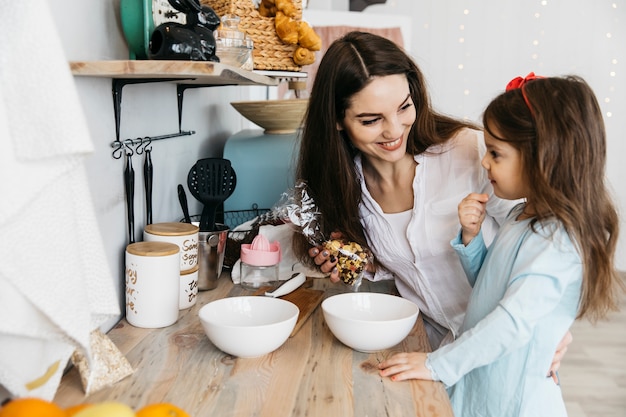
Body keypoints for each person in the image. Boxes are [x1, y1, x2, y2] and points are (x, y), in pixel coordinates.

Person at [293, 30, 571, 371]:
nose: (394, 130)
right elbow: (401, 268)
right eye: (371, 120)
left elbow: (542, 238)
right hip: (431, 351)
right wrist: (355, 263)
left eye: (404, 107)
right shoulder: (342, 186)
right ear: (337, 120)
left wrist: (555, 319)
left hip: (505, 346)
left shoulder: (472, 152)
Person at [378, 74, 624, 416]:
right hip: (483, 384)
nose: (484, 161)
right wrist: (472, 239)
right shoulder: (523, 215)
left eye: (496, 153)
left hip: (513, 402)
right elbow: (492, 290)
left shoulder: (559, 243)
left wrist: (436, 365)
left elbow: (510, 323)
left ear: (543, 158)